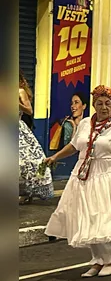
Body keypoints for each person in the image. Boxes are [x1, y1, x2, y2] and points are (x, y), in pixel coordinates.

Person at [43, 85, 111, 278]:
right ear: (94, 105)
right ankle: (97, 260)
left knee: (102, 217)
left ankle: (110, 258)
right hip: (83, 174)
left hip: (107, 174)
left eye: (108, 104)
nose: (104, 107)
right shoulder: (86, 123)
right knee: (86, 218)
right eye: (100, 103)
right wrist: (55, 157)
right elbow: (74, 146)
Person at [19, 72, 54, 204]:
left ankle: (27, 192)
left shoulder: (20, 91)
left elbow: (29, 110)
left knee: (27, 163)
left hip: (18, 129)